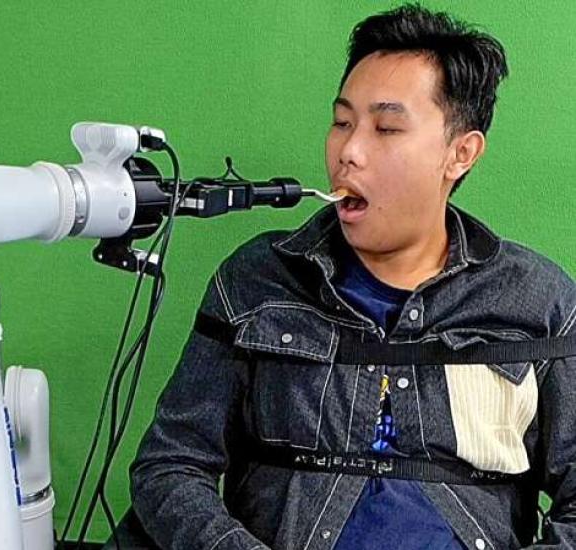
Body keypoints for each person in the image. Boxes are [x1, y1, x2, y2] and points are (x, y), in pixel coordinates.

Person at [129, 4, 576, 549]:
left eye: (387, 128)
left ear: (460, 153)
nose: (349, 152)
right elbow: (169, 467)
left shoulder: (540, 300)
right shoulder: (255, 281)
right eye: (342, 123)